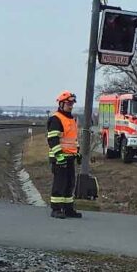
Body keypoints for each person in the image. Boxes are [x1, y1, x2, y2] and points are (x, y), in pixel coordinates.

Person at [45, 91, 83, 219]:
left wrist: (77, 153)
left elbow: (73, 139)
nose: (71, 106)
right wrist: (59, 155)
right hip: (59, 158)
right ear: (61, 104)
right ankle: (56, 209)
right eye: (68, 103)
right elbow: (53, 139)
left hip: (70, 157)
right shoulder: (56, 119)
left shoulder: (71, 119)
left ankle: (68, 209)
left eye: (72, 104)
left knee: (69, 183)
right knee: (60, 184)